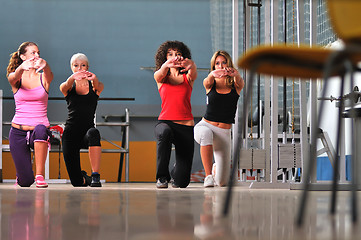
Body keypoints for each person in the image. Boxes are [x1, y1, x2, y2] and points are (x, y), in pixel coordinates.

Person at [6, 41, 53, 188]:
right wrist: (21, 68)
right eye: (33, 53)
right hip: (18, 131)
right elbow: (13, 77)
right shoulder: (15, 78)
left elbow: (49, 75)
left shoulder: (43, 77)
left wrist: (45, 66)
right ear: (23, 56)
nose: (37, 55)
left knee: (40, 129)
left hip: (39, 130)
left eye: (38, 52)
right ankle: (22, 175)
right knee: (25, 182)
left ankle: (40, 175)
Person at [194, 50, 244, 187]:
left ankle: (216, 170)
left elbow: (240, 81)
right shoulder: (210, 83)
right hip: (205, 126)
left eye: (224, 62)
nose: (220, 66)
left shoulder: (236, 84)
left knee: (222, 183)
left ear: (229, 64)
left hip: (223, 133)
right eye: (217, 63)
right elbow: (207, 80)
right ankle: (208, 175)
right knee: (205, 133)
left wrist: (236, 74)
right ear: (214, 66)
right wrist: (212, 74)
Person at [154, 40, 197, 188]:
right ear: (164, 58)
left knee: (182, 182)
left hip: (186, 126)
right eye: (170, 54)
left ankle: (175, 172)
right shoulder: (161, 78)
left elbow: (193, 69)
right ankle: (161, 177)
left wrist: (189, 63)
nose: (174, 57)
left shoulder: (188, 78)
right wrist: (168, 64)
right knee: (164, 133)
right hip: (166, 122)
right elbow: (159, 73)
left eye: (178, 54)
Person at [60, 53, 104, 187]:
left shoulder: (95, 86)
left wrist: (94, 78)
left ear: (87, 67)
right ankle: (85, 178)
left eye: (83, 65)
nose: (80, 68)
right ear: (71, 68)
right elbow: (65, 85)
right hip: (70, 134)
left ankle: (95, 176)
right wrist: (73, 78)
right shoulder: (67, 87)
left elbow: (98, 86)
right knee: (77, 183)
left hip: (87, 134)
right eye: (76, 65)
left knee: (94, 133)